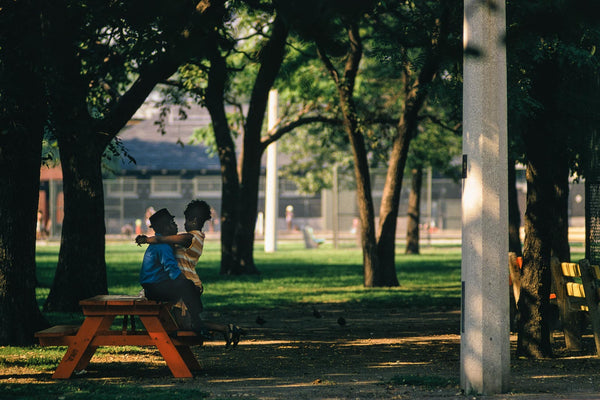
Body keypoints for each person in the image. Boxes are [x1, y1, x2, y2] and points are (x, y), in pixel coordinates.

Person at [136, 202, 244, 347]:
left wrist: (150, 239)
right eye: (173, 223)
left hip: (186, 283)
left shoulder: (192, 237)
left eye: (186, 220)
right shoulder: (175, 242)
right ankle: (226, 329)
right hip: (182, 285)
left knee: (187, 325)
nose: (181, 224)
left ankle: (220, 329)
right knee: (186, 325)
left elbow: (171, 244)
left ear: (193, 220)